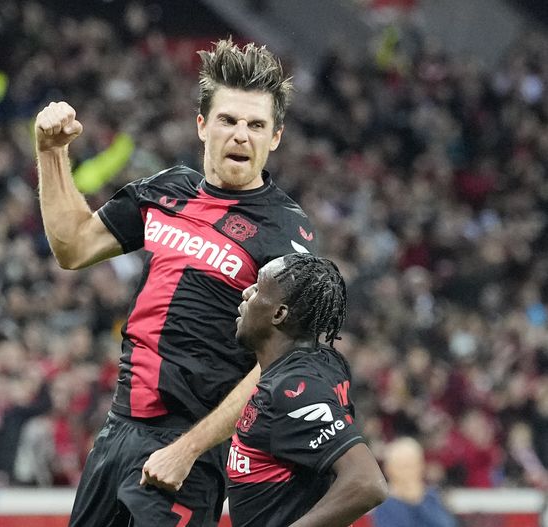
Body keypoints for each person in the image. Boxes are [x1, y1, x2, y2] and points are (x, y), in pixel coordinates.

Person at [36, 38, 318, 526]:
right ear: (202, 124)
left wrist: (188, 449)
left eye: (256, 125)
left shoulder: (286, 234)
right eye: (228, 120)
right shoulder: (167, 190)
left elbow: (279, 367)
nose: (240, 136)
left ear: (275, 138)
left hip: (189, 448)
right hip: (118, 432)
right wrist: (52, 152)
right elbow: (74, 246)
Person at [227, 253, 387, 526]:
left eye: (257, 289)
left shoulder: (293, 389)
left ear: (279, 314)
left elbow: (367, 482)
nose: (246, 292)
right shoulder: (328, 361)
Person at [372, 437, 457, 527]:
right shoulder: (386, 504)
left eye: (414, 464)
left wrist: (418, 501)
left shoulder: (432, 497)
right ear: (389, 470)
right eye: (403, 466)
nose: (410, 472)